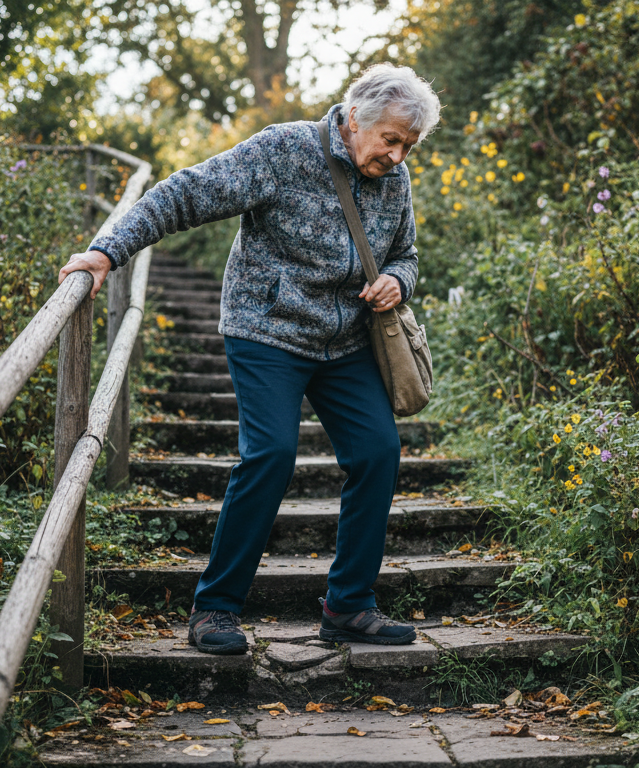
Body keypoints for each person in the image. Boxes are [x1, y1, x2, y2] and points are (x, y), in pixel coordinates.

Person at [58, 63, 441, 655]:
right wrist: (107, 252)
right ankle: (215, 607)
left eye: (408, 146)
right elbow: (185, 193)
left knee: (378, 452)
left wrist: (397, 279)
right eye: (390, 139)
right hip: (266, 330)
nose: (397, 155)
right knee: (271, 454)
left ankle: (349, 606)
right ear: (355, 117)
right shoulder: (283, 151)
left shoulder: (396, 178)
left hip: (345, 342)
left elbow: (407, 253)